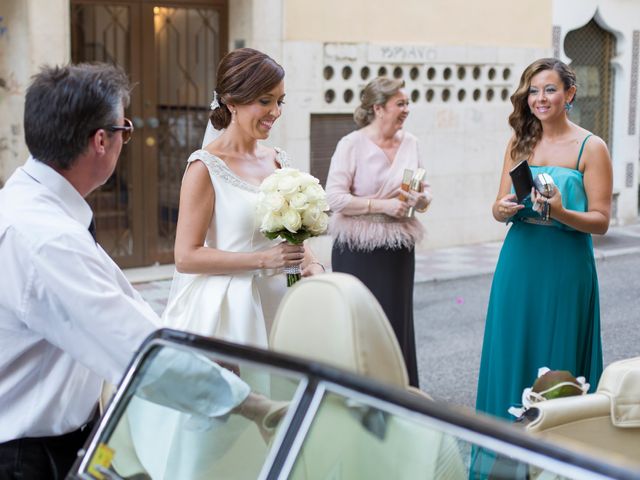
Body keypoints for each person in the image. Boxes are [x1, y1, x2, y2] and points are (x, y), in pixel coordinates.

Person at [0, 63, 159, 479]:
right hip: (28, 456)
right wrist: (244, 402)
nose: (127, 139)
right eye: (126, 127)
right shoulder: (47, 238)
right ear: (101, 140)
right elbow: (133, 343)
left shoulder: (23, 205)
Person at [475, 58, 612, 423]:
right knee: (511, 350)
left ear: (569, 94)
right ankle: (505, 453)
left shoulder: (591, 147)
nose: (540, 98)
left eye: (550, 89)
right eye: (533, 91)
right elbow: (498, 203)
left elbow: (601, 222)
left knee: (558, 357)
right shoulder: (518, 142)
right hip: (519, 260)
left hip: (566, 264)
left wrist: (561, 212)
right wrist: (501, 209)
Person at [161, 47, 324, 348]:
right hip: (233, 309)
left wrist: (313, 264)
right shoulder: (205, 168)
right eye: (265, 101)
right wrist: (263, 259)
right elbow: (186, 257)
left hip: (283, 299)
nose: (275, 112)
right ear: (231, 101)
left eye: (279, 101)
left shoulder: (280, 162)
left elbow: (292, 240)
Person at [325, 77, 432, 388]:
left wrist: (421, 200)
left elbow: (425, 192)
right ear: (378, 108)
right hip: (357, 251)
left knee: (396, 321)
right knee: (362, 324)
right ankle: (359, 394)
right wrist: (384, 206)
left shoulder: (412, 143)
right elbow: (335, 199)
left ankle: (399, 392)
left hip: (398, 250)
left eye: (407, 103)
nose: (406, 110)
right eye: (400, 103)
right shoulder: (351, 144)